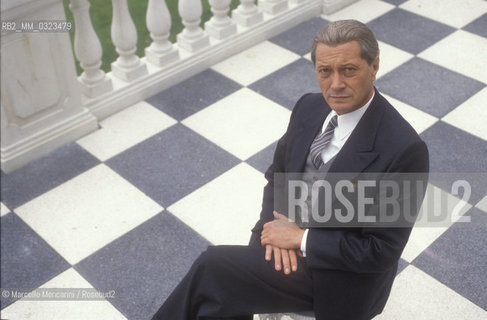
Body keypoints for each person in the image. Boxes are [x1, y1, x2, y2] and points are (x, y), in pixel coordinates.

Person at [152, 19, 429, 320]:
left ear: (373, 67)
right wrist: (271, 234)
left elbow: (380, 251)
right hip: (283, 237)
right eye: (325, 71)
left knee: (214, 267)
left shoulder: (404, 150)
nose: (335, 84)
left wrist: (301, 240)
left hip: (337, 277)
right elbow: (277, 176)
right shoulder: (308, 107)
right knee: (218, 299)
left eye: (349, 70)